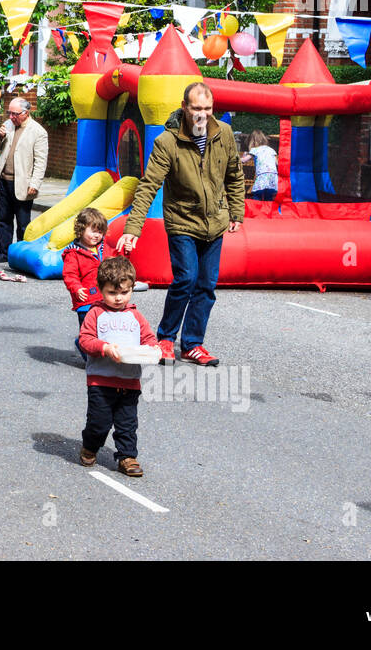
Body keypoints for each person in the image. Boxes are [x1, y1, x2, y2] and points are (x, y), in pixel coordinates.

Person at [116, 81, 244, 367]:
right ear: (185, 107)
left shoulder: (223, 134)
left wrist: (236, 211)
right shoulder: (167, 142)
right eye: (197, 108)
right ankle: (165, 338)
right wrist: (133, 229)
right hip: (182, 221)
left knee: (207, 285)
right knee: (186, 278)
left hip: (215, 222)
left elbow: (234, 175)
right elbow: (149, 186)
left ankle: (193, 344)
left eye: (208, 108)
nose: (202, 114)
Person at [77, 256, 156, 476]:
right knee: (99, 424)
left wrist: (153, 350)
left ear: (132, 289)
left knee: (127, 424)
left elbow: (149, 338)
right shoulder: (96, 313)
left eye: (124, 292)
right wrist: (104, 348)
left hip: (130, 381)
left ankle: (127, 457)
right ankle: (90, 446)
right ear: (101, 289)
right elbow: (85, 340)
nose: (119, 298)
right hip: (101, 381)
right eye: (112, 293)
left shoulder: (136, 316)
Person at [0, 97, 49, 263]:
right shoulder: (8, 125)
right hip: (4, 179)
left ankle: (21, 254)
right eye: (9, 113)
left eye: (15, 114)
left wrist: (35, 184)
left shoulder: (38, 132)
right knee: (3, 219)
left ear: (26, 113)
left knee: (23, 222)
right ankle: (5, 252)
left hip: (23, 183)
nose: (11, 117)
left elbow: (40, 161)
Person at [62, 206, 108, 351]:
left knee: (103, 329)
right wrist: (76, 288)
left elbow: (116, 265)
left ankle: (100, 353)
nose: (97, 235)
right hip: (85, 300)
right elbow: (70, 274)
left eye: (100, 232)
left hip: (104, 298)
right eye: (93, 231)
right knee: (88, 331)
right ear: (81, 230)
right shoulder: (73, 253)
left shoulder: (103, 248)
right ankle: (87, 353)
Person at [242, 129, 279, 201]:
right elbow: (277, 163)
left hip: (262, 176)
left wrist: (239, 157)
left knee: (257, 195)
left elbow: (244, 160)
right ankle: (268, 211)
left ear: (252, 141)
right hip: (273, 177)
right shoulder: (271, 149)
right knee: (269, 197)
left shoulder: (255, 150)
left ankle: (257, 211)